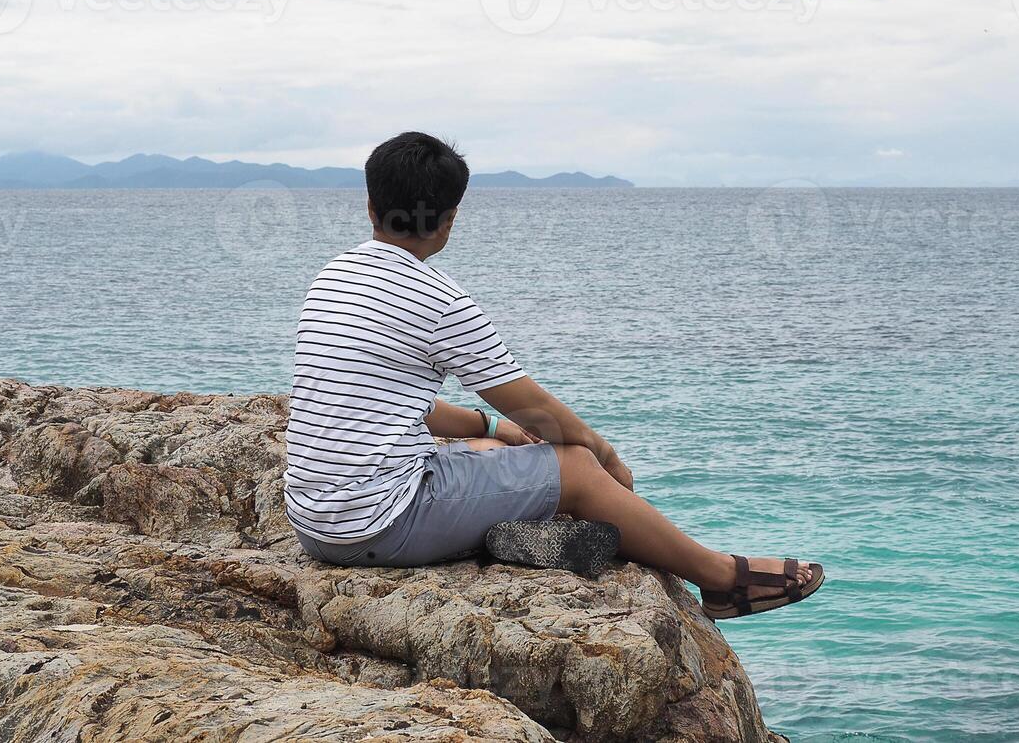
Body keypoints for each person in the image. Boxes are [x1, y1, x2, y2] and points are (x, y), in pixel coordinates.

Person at [284, 131, 823, 618]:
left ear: (371, 205)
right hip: (376, 524)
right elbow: (537, 411)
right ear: (448, 221)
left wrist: (489, 429)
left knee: (501, 455)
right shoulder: (439, 301)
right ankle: (722, 578)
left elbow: (383, 400)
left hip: (314, 520)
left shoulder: (335, 276)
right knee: (574, 469)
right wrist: (604, 460)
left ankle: (527, 533)